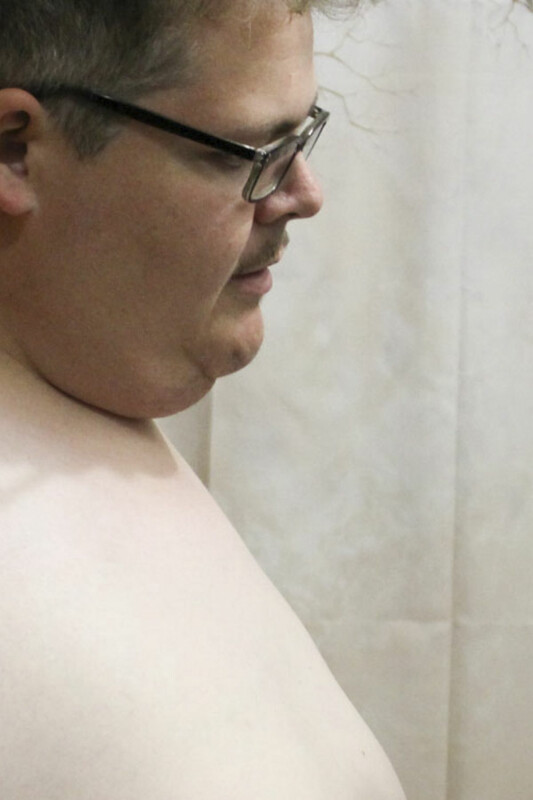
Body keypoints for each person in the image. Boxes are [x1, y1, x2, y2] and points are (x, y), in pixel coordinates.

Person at [0, 1, 406, 797]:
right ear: (15, 151)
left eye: (300, 136)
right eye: (252, 152)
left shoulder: (86, 388)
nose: (303, 192)